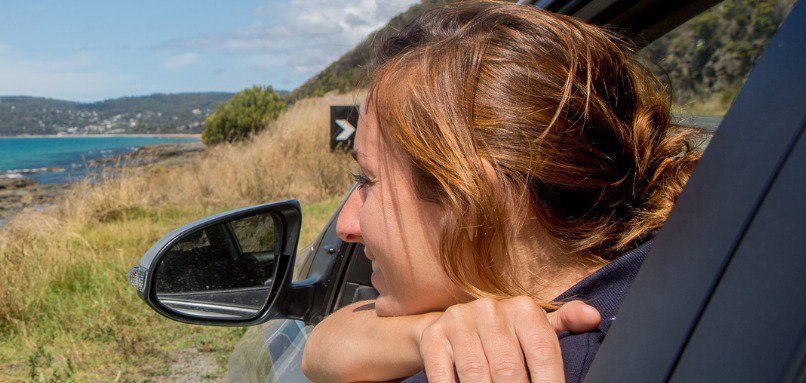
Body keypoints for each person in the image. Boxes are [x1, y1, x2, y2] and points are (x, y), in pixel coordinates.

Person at [299, 2, 702, 383]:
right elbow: (322, 347)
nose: (347, 226)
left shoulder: (482, 370)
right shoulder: (674, 274)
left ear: (470, 199)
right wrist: (429, 332)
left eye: (368, 181)